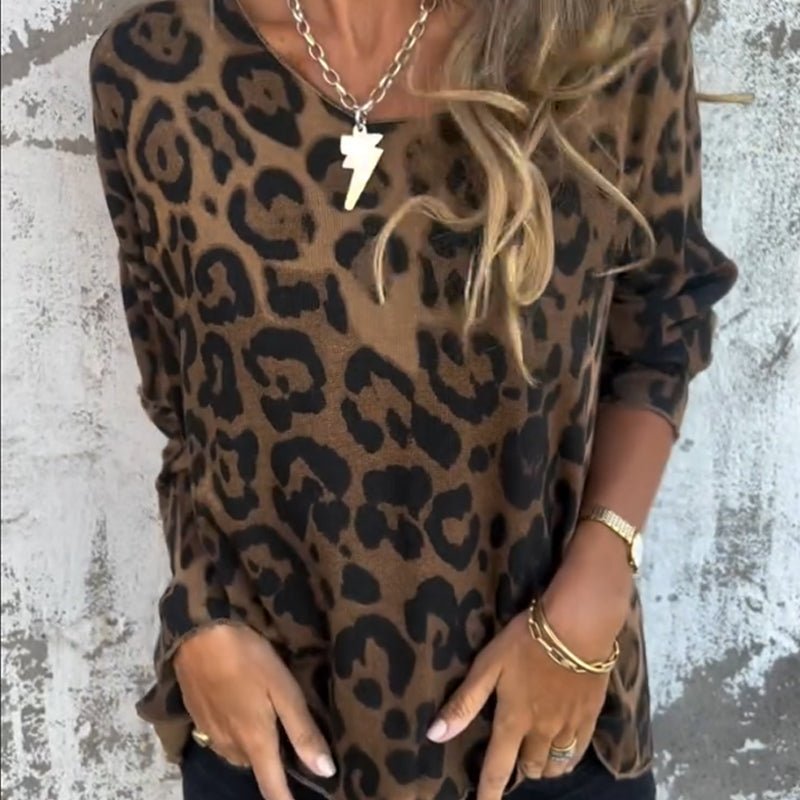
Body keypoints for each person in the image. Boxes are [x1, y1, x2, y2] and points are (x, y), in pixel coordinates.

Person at [89, 0, 738, 798]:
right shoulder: (151, 69)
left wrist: (597, 581)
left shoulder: (600, 29)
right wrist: (200, 623)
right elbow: (185, 411)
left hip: (541, 711)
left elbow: (664, 319)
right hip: (273, 744)